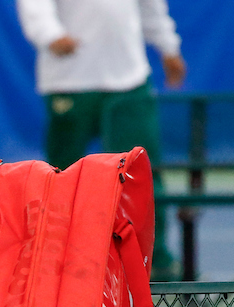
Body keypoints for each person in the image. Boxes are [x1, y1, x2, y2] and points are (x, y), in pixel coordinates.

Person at [16, 0, 187, 281]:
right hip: (69, 80)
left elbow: (151, 7)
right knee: (60, 179)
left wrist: (169, 48)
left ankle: (155, 263)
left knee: (142, 175)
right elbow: (35, 6)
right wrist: (50, 35)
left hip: (129, 81)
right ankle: (57, 264)